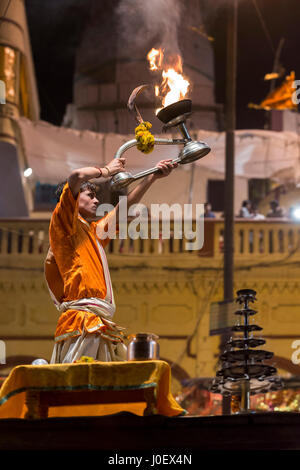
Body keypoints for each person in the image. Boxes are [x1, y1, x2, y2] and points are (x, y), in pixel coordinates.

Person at [45, 158, 178, 364]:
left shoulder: (92, 232)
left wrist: (152, 177)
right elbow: (76, 176)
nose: (97, 201)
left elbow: (124, 208)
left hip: (98, 322)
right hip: (82, 322)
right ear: (72, 198)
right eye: (90, 195)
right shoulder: (64, 223)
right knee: (81, 386)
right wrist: (106, 170)